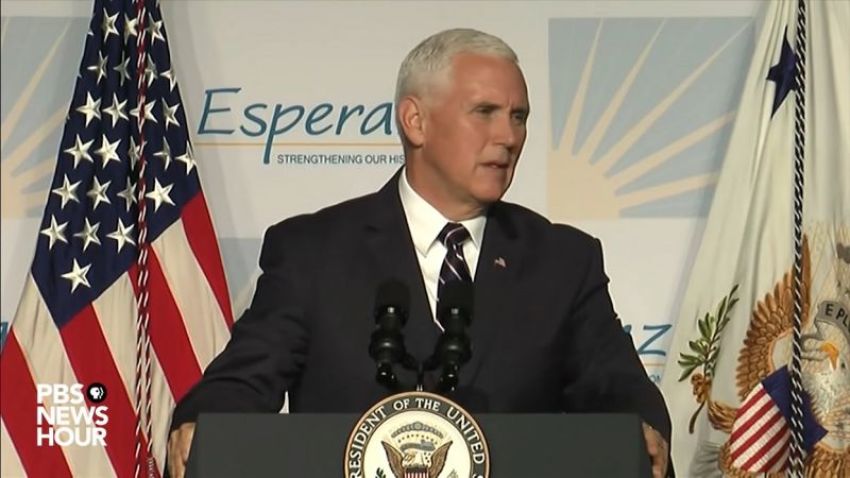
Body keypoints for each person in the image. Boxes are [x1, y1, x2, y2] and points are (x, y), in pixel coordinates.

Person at [167, 28, 671, 478]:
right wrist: (203, 423)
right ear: (416, 121)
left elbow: (616, 385)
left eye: (519, 117)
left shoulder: (562, 260)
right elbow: (244, 379)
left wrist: (642, 426)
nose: (510, 137)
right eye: (486, 113)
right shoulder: (313, 252)